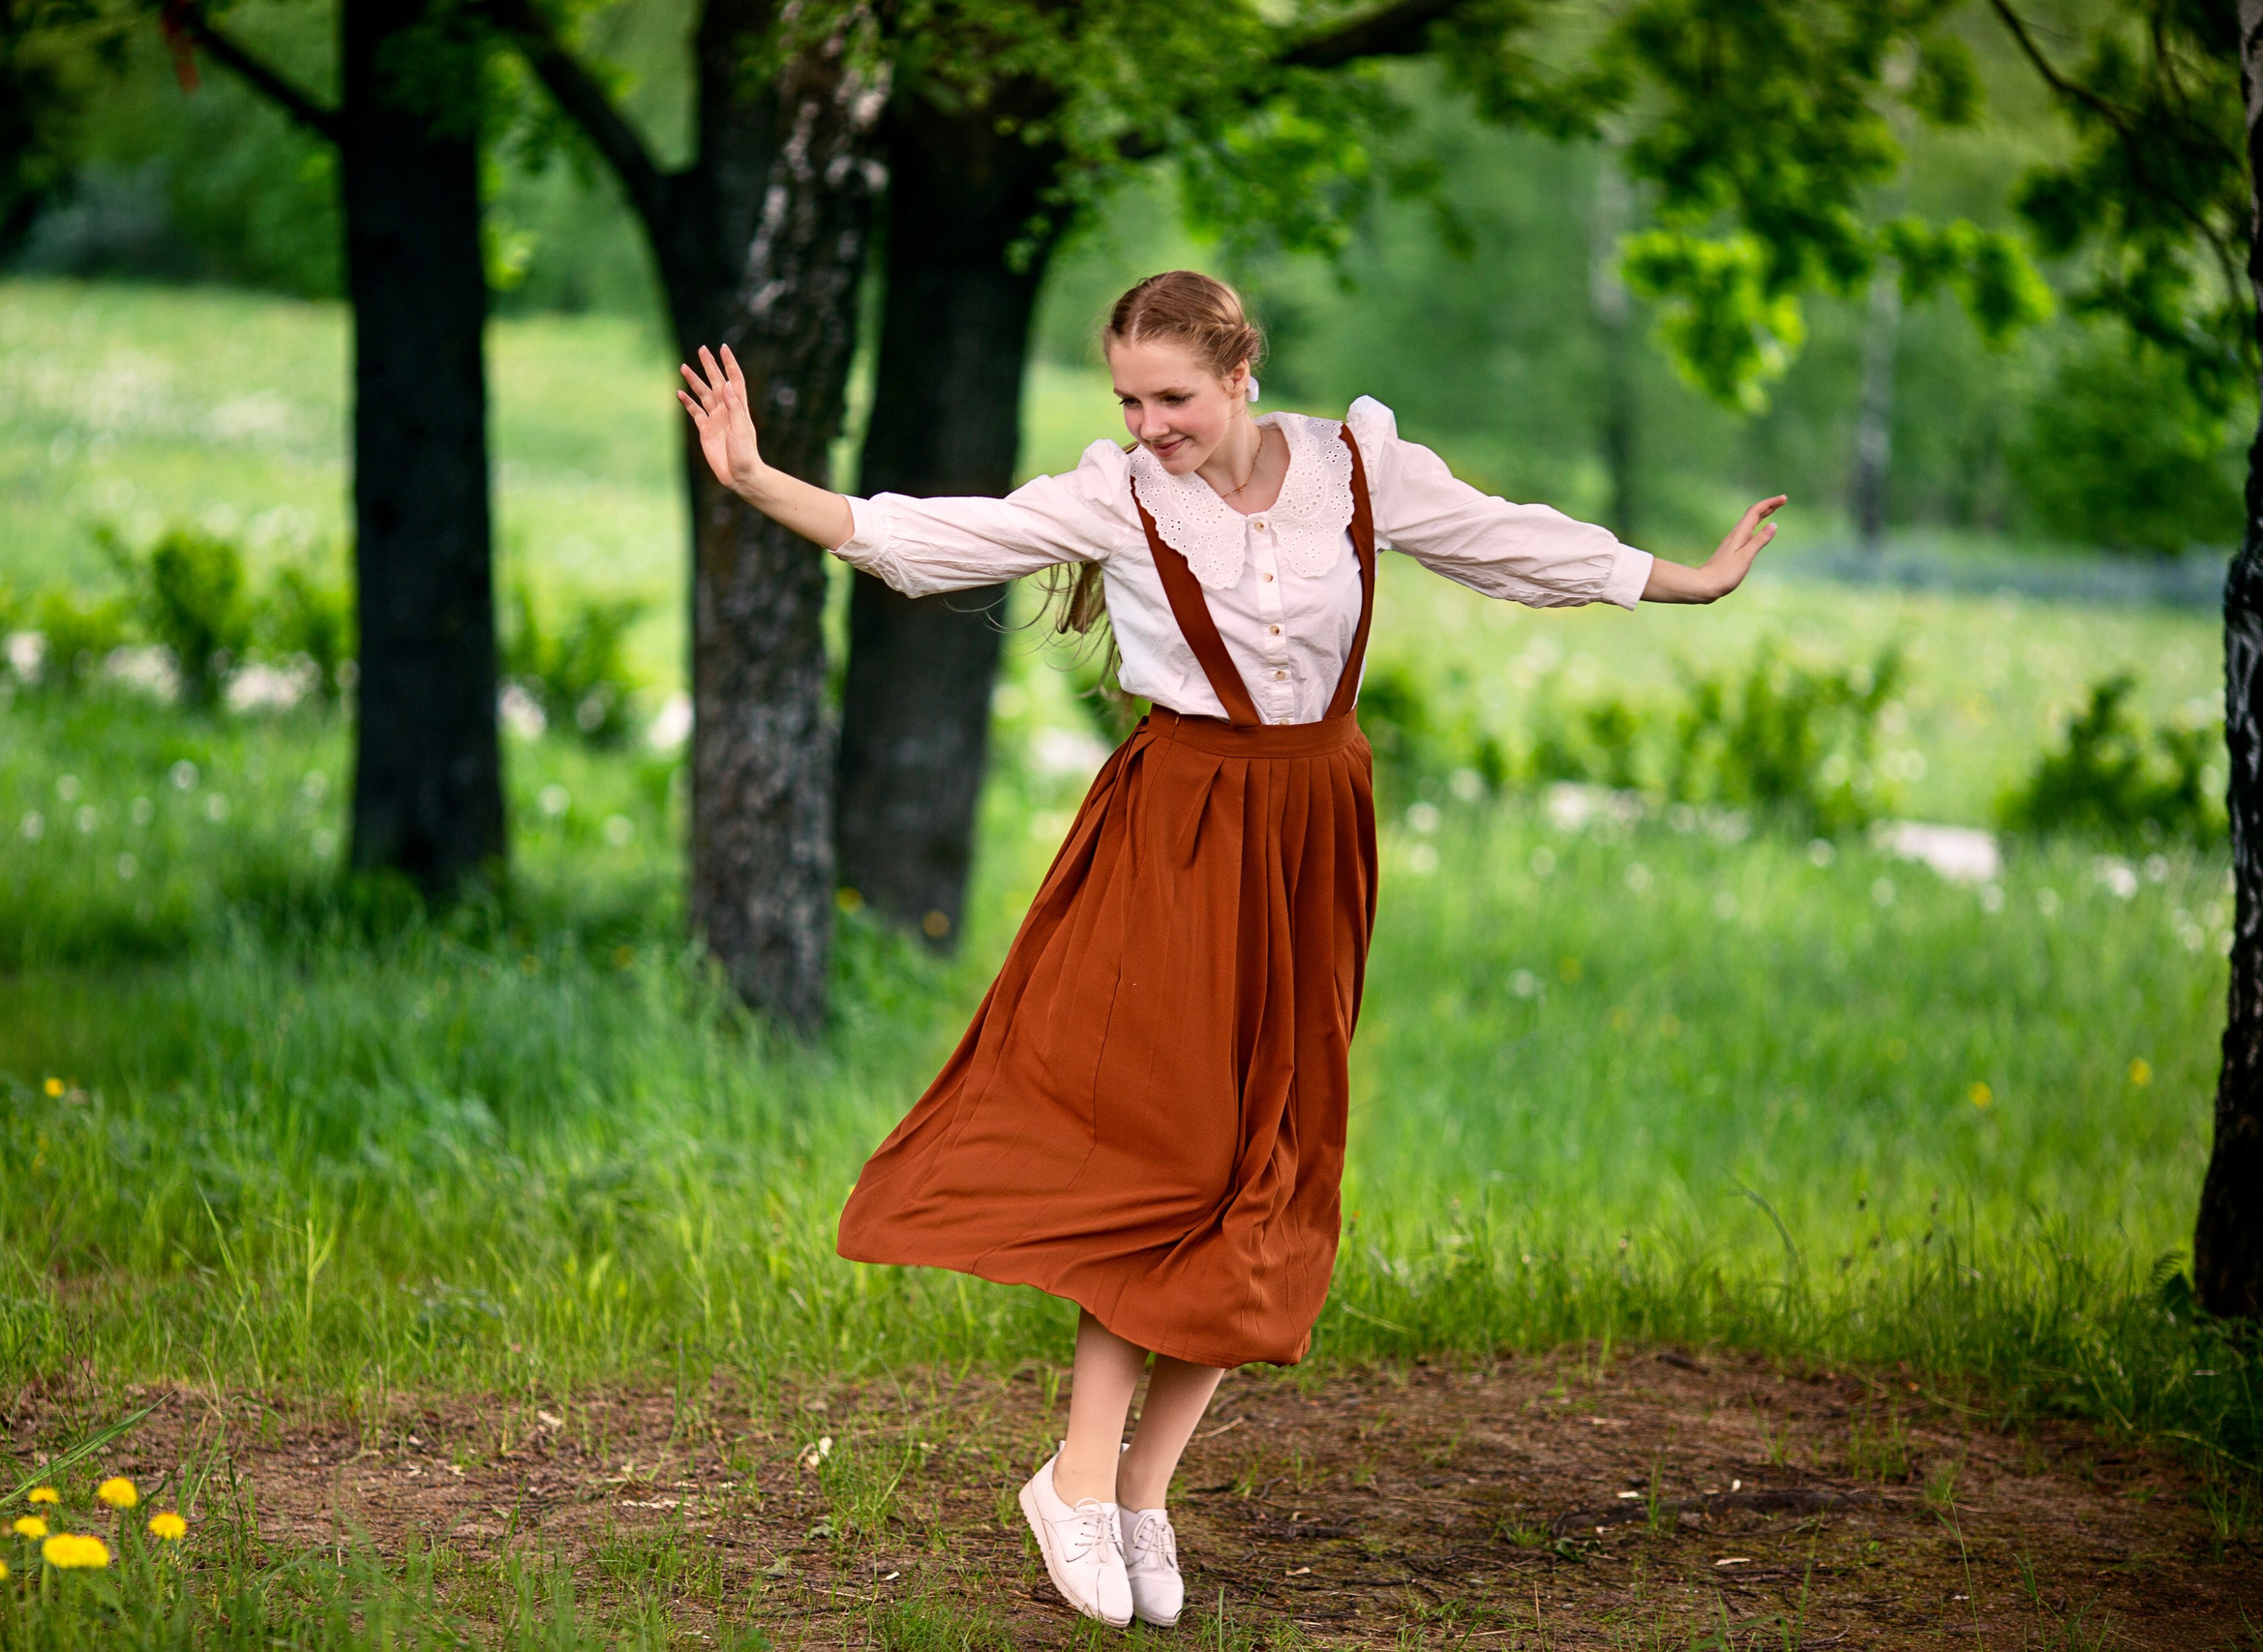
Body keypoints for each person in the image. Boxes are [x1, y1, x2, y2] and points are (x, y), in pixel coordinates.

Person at [678, 270, 1780, 1629]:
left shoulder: (1358, 471)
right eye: (1130, 400)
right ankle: (1078, 1481)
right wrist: (758, 480)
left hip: (1313, 836)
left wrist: (1686, 581)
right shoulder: (1120, 497)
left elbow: (1508, 542)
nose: (1150, 425)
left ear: (1241, 373)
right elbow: (936, 536)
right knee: (1175, 1155)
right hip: (1181, 836)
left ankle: (1140, 1493)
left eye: (1176, 398)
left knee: (1272, 1164)